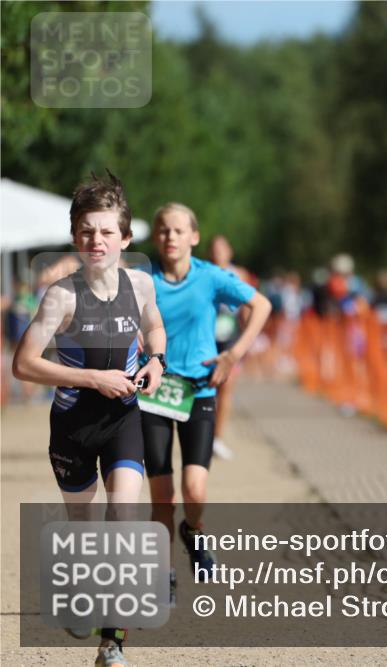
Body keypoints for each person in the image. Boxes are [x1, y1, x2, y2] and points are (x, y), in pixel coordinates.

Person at [12, 172, 167, 667]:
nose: (96, 240)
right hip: (73, 427)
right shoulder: (61, 295)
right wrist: (93, 378)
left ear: (126, 238)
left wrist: (156, 360)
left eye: (106, 231)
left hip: (123, 419)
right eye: (86, 231)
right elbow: (23, 364)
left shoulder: (140, 283)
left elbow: (154, 324)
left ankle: (111, 644)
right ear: (75, 237)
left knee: (123, 521)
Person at [141, 203, 271, 606]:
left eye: (179, 230)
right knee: (163, 497)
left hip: (198, 392)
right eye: (164, 230)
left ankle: (194, 531)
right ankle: (165, 575)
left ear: (194, 237)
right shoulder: (143, 280)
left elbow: (262, 306)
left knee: (194, 490)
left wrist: (232, 355)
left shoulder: (211, 277)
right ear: (155, 236)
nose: (171, 237)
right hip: (154, 393)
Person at [207, 234, 254, 461]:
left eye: (221, 248)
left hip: (230, 337)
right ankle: (202, 434)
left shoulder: (240, 274)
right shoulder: (203, 272)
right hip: (207, 337)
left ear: (229, 252)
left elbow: (248, 307)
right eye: (214, 249)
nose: (218, 253)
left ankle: (217, 438)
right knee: (207, 389)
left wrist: (246, 339)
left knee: (226, 388)